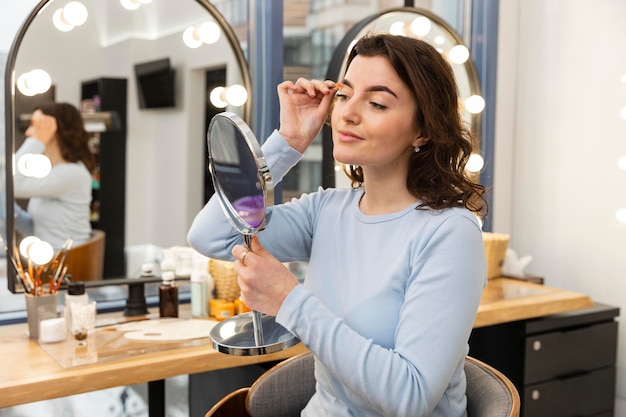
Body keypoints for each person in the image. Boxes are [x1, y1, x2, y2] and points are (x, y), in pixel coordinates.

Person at [188, 34, 487, 417]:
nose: (347, 113)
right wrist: (289, 141)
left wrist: (290, 301)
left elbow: (410, 397)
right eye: (344, 95)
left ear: (423, 130)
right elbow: (211, 234)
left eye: (377, 103)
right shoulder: (327, 211)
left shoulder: (449, 233)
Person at [14, 102, 95, 250]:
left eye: (35, 125)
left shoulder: (71, 174)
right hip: (47, 261)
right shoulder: (51, 173)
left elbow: (11, 184)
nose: (28, 133)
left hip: (67, 263)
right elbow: (36, 228)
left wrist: (36, 142)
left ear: (55, 130)